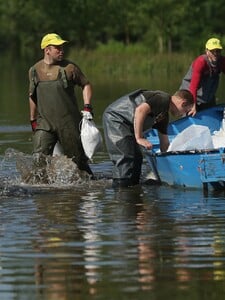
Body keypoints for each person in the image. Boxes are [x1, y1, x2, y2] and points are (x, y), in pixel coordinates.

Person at [28, 33, 93, 177]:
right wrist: (32, 120)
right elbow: (32, 96)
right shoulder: (34, 70)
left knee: (79, 163)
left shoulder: (70, 68)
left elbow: (86, 85)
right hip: (44, 124)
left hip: (69, 124)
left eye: (62, 47)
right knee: (38, 161)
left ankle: (91, 188)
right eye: (57, 47)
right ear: (47, 50)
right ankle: (40, 194)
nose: (61, 50)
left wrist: (87, 106)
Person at [103, 89, 194, 188]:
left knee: (137, 159)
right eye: (185, 111)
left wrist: (172, 167)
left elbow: (164, 144)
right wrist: (139, 138)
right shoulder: (163, 99)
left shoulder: (163, 116)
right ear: (183, 103)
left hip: (128, 126)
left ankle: (133, 190)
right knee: (127, 158)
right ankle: (121, 189)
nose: (183, 114)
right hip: (116, 119)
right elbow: (140, 110)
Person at [179, 37, 225, 116]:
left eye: (218, 51)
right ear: (207, 51)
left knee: (212, 116)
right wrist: (193, 105)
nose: (215, 53)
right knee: (189, 115)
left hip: (207, 97)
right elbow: (193, 86)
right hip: (190, 93)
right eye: (212, 51)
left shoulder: (222, 61)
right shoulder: (201, 62)